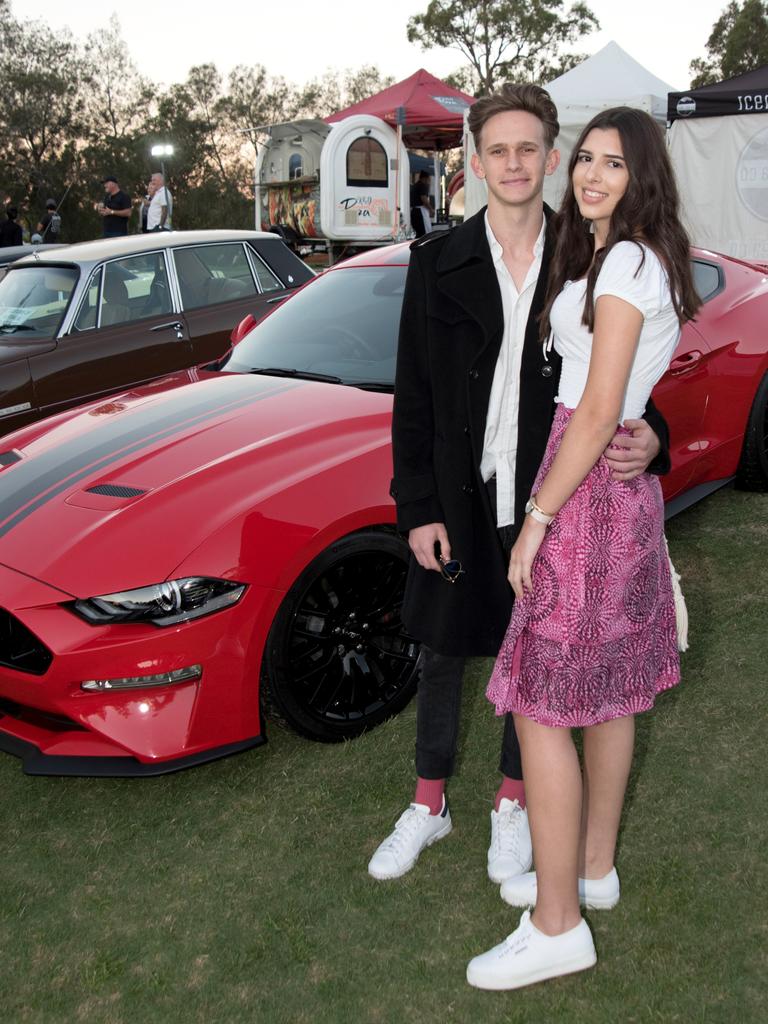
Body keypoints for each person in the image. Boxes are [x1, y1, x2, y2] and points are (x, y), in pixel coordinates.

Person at [368, 85, 670, 887]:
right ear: (473, 161)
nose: (513, 163)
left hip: (550, 498)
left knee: (526, 653)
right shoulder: (437, 261)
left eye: (529, 148)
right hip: (460, 497)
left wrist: (657, 440)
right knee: (440, 651)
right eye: (497, 150)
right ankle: (429, 805)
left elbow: (624, 382)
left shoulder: (588, 254)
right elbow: (415, 395)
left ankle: (512, 804)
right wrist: (417, 508)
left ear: (548, 156)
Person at [466, 106, 700, 991]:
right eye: (588, 160)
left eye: (614, 163)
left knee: (543, 703)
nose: (594, 176)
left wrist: (536, 517)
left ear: (643, 176)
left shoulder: (626, 262)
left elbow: (598, 410)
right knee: (606, 695)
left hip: (587, 494)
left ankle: (557, 923)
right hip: (615, 490)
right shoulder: (630, 256)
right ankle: (591, 870)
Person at [410, 171, 433, 237]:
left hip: (414, 211)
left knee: (418, 232)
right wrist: (430, 209)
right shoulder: (422, 186)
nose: (428, 181)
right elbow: (424, 199)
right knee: (425, 233)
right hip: (421, 211)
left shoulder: (416, 185)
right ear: (425, 178)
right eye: (428, 179)